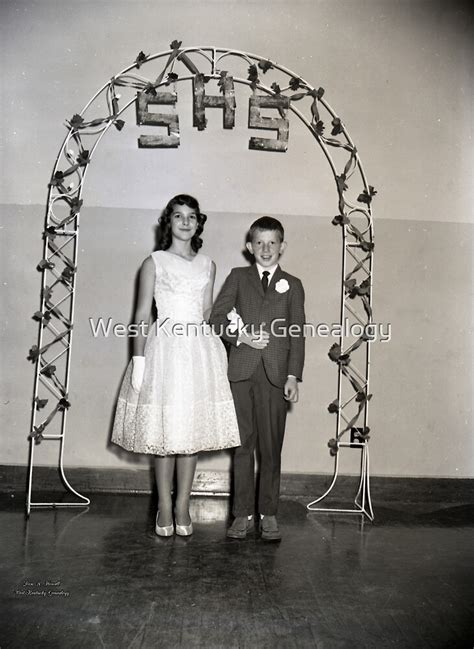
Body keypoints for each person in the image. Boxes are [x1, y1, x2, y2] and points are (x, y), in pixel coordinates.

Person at [111, 195, 240, 537]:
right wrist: (138, 358)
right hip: (165, 349)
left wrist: (235, 328)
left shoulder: (208, 264)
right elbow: (141, 315)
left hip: (198, 350)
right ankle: (164, 507)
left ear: (199, 223)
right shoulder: (154, 262)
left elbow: (208, 311)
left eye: (192, 217)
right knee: (165, 431)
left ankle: (183, 504)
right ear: (168, 222)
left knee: (190, 432)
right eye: (179, 216)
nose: (185, 222)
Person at [210, 217, 305, 541]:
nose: (266, 249)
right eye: (259, 243)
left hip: (276, 377)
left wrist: (293, 376)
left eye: (272, 243)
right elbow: (217, 319)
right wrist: (242, 338)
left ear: (282, 247)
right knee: (242, 447)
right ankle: (241, 514)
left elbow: (297, 335)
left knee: (271, 449)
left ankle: (269, 514)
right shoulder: (238, 277)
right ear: (249, 247)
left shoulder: (293, 284)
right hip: (241, 374)